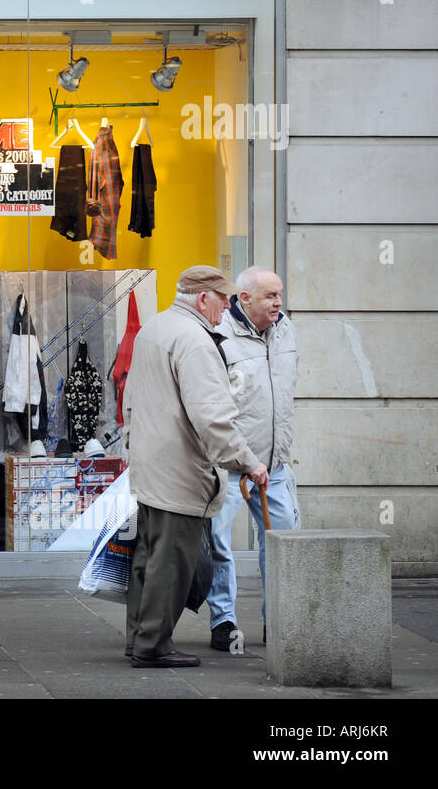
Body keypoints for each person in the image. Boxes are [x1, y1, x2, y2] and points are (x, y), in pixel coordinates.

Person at [122, 265, 268, 667]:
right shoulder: (195, 341)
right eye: (223, 299)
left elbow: (130, 398)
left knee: (148, 558)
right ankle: (154, 646)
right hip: (180, 471)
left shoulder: (155, 328)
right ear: (203, 298)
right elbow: (213, 419)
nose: (227, 307)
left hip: (151, 466)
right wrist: (249, 462)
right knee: (172, 563)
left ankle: (139, 638)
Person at [207, 266, 299, 651]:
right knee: (219, 544)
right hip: (229, 465)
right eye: (269, 296)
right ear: (244, 299)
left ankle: (278, 620)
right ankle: (223, 621)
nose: (278, 302)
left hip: (274, 465)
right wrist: (239, 456)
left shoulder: (286, 330)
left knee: (283, 545)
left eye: (279, 294)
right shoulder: (219, 336)